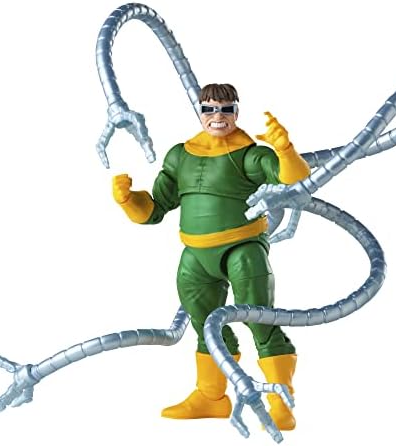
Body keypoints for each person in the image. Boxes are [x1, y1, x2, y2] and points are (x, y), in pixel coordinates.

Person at [112, 83, 310, 430]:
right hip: (195, 256)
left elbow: (293, 180)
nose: (218, 116)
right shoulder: (180, 156)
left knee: (260, 321)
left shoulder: (249, 155)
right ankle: (211, 396)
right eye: (210, 109)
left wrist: (284, 149)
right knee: (205, 326)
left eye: (226, 109)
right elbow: (155, 209)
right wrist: (128, 200)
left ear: (236, 112)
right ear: (200, 111)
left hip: (242, 249)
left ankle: (281, 402)